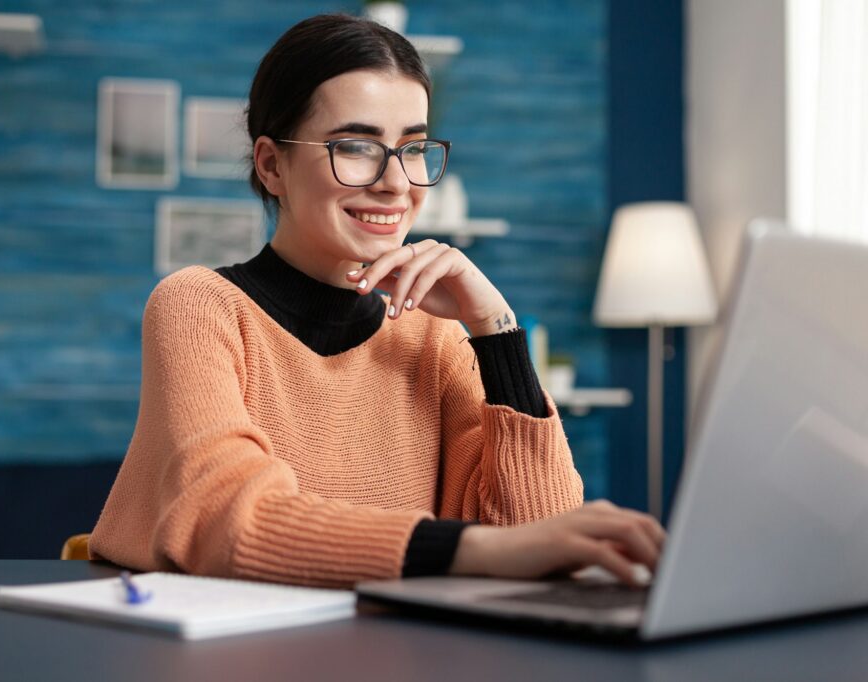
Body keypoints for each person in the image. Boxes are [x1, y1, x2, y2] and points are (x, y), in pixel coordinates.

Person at [89, 13, 665, 588]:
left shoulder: (434, 339)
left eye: (413, 148)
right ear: (271, 166)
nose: (396, 183)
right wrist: (476, 549)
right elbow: (227, 522)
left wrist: (494, 329)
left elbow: (537, 537)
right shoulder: (200, 306)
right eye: (357, 147)